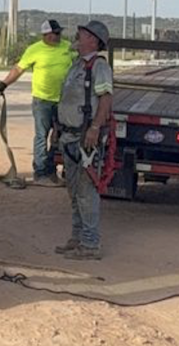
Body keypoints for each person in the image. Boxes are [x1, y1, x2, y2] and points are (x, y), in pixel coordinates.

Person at [54, 20, 114, 260]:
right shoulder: (77, 65)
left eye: (82, 34)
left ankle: (90, 244)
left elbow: (106, 99)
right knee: (74, 191)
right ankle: (77, 238)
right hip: (69, 136)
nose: (77, 37)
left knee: (86, 192)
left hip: (84, 138)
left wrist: (95, 127)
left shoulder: (99, 67)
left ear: (93, 40)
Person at [0, 18, 76, 186]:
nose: (58, 36)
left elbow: (82, 61)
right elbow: (19, 69)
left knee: (58, 137)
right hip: (42, 100)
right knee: (41, 136)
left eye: (59, 33)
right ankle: (40, 172)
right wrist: (4, 84)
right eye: (54, 33)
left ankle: (51, 171)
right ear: (45, 34)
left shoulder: (68, 48)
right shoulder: (34, 50)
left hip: (63, 101)